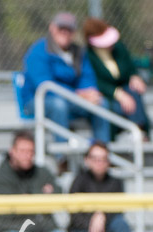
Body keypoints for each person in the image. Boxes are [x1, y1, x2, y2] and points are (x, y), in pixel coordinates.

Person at [21, 12, 111, 145]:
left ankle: (101, 152)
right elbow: (45, 86)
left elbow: (87, 77)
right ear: (52, 28)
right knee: (58, 105)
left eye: (69, 29)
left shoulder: (79, 52)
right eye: (61, 28)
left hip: (72, 99)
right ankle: (62, 157)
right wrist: (78, 95)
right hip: (38, 101)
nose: (65, 32)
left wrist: (89, 92)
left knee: (100, 103)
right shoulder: (38, 51)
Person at [82, 17, 150, 139]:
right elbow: (96, 81)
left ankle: (140, 132)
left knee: (133, 93)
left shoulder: (119, 48)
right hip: (108, 96)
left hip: (127, 90)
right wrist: (117, 94)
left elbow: (130, 68)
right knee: (112, 106)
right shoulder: (88, 57)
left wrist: (134, 76)